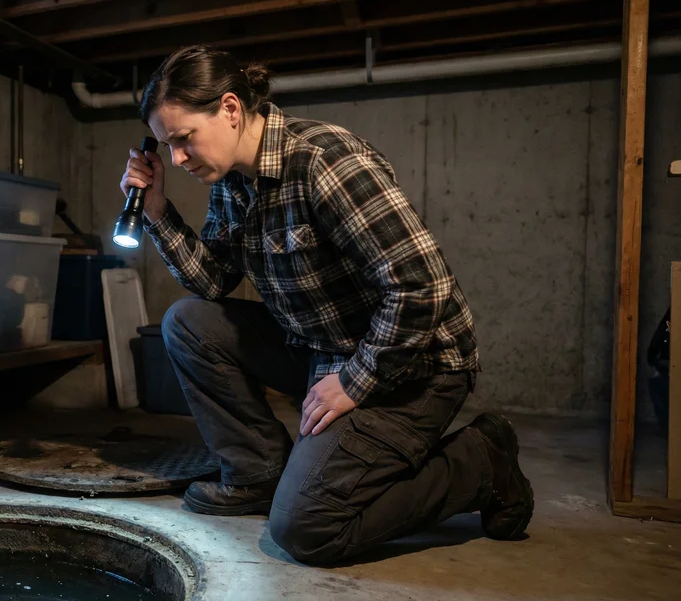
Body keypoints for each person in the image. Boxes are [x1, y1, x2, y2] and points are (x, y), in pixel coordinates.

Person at [120, 45, 533, 565]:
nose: (177, 159)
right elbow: (214, 282)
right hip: (319, 348)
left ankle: (479, 463)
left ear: (229, 108)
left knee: (308, 528)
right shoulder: (231, 182)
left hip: (413, 367)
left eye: (183, 140)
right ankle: (256, 476)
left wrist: (356, 381)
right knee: (188, 323)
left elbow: (421, 286)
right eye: (166, 146)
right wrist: (157, 210)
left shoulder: (324, 161)